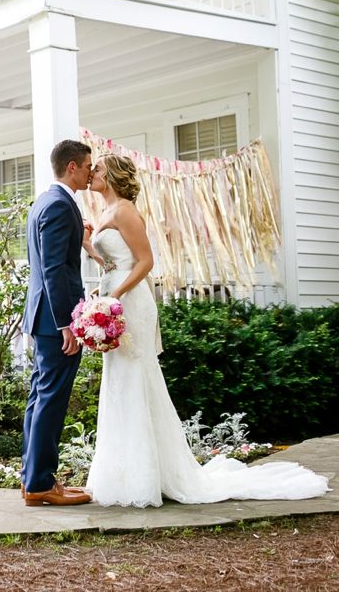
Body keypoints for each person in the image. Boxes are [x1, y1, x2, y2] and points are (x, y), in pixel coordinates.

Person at [84, 153, 329, 507]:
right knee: (119, 377)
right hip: (113, 295)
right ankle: (126, 473)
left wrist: (117, 294)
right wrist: (91, 251)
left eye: (98, 169)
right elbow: (114, 264)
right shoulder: (105, 213)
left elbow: (146, 261)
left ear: (116, 176)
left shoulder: (124, 210)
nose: (92, 173)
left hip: (130, 302)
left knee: (136, 374)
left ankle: (150, 475)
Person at [21, 139, 93, 507]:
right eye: (87, 166)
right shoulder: (62, 206)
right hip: (55, 321)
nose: (90, 172)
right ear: (71, 167)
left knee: (39, 397)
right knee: (50, 399)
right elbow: (52, 268)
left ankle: (32, 478)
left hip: (42, 317)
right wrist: (68, 322)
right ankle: (40, 484)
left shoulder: (44, 203)